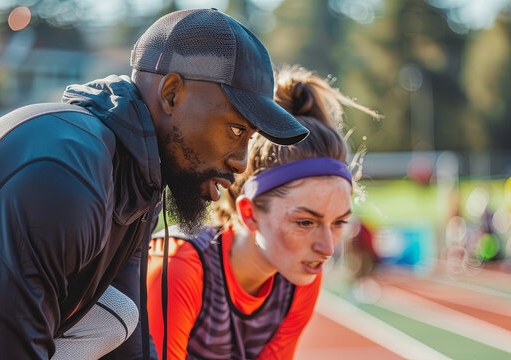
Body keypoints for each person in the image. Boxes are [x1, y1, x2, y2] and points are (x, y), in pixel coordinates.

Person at [0, 9, 309, 360]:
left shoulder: (136, 177)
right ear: (171, 93)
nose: (241, 162)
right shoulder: (66, 176)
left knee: (118, 316)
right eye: (236, 130)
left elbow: (132, 346)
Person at [147, 65, 381, 359]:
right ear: (250, 213)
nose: (326, 248)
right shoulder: (178, 266)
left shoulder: (301, 273)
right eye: (305, 222)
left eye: (338, 223)